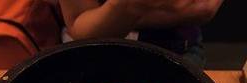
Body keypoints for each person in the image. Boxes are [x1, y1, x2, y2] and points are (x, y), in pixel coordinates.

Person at [58, 0, 224, 66]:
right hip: (96, 53)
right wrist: (129, 5)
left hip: (177, 47)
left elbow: (204, 7)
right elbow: (78, 22)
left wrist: (119, 13)